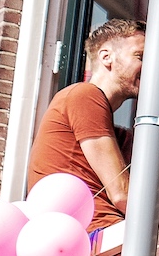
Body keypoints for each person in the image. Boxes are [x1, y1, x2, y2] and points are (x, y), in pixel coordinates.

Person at [27, 19, 145, 233]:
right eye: (140, 57)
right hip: (101, 241)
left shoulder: (116, 133)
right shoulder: (84, 96)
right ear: (106, 57)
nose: (149, 68)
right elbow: (122, 194)